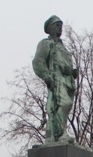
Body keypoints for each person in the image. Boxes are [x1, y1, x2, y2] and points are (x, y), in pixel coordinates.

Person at [32, 15, 78, 144]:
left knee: (66, 106)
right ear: (50, 28)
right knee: (62, 104)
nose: (60, 28)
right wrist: (46, 76)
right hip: (56, 79)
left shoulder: (62, 47)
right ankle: (59, 134)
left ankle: (60, 133)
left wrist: (72, 72)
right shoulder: (46, 44)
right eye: (57, 25)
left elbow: (65, 63)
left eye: (61, 25)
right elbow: (38, 61)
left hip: (68, 81)